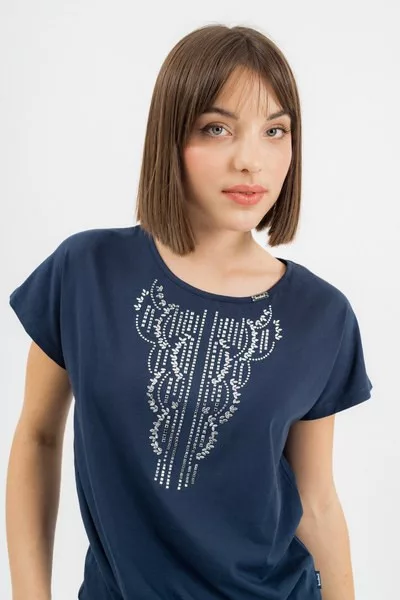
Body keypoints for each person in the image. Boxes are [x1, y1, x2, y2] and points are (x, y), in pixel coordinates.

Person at [6, 23, 373, 600]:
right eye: (216, 128)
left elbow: (317, 500)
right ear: (170, 135)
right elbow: (37, 437)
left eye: (275, 131)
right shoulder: (86, 271)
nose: (250, 161)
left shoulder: (321, 315)